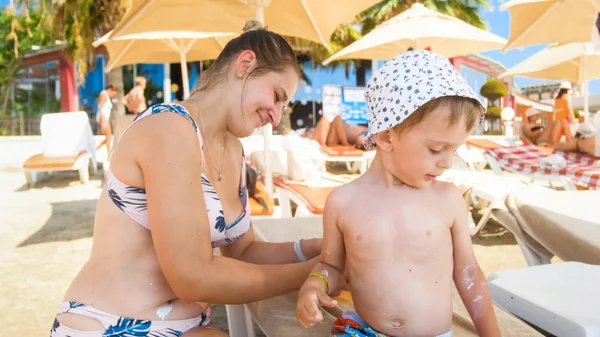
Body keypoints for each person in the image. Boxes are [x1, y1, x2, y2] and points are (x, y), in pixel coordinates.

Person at [49, 20, 322, 337]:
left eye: (283, 105)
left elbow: (245, 252)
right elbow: (191, 277)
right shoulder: (170, 128)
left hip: (185, 327)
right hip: (109, 323)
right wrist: (309, 274)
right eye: (276, 95)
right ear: (245, 64)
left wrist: (316, 249)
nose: (276, 116)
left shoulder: (233, 150)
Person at [296, 51, 501, 337]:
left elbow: (468, 273)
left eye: (454, 150)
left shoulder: (447, 199)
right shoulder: (343, 202)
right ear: (386, 136)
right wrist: (315, 284)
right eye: (436, 149)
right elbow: (330, 265)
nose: (446, 162)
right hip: (364, 331)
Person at [96, 85, 117, 154]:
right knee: (108, 135)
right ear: (110, 89)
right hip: (103, 118)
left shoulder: (106, 95)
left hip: (104, 118)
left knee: (109, 136)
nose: (113, 95)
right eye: (113, 93)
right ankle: (109, 153)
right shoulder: (104, 95)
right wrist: (102, 119)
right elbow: (100, 107)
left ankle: (96, 148)